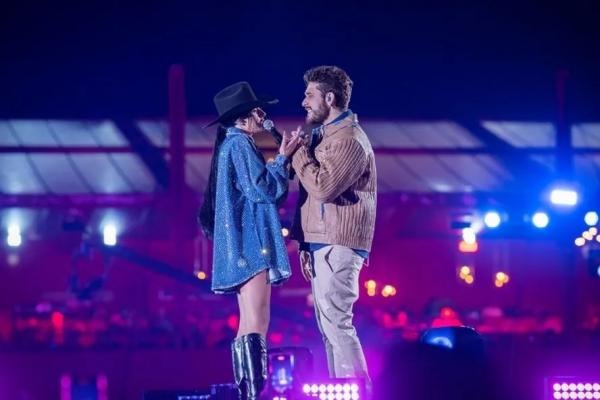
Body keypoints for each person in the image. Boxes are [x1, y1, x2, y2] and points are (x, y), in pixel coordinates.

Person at [199, 81, 301, 399]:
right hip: (251, 247)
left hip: (242, 248)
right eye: (258, 110)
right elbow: (261, 190)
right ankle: (256, 392)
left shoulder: (230, 145)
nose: (263, 115)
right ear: (245, 116)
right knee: (258, 319)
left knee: (248, 321)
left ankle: (249, 390)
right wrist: (282, 158)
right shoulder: (240, 145)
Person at [290, 66, 377, 390]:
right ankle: (342, 392)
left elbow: (324, 188)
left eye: (309, 95)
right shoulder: (328, 137)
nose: (303, 102)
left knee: (337, 325)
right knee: (329, 329)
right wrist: (305, 242)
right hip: (322, 243)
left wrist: (298, 154)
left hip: (338, 243)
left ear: (330, 97)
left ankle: (357, 391)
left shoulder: (350, 141)